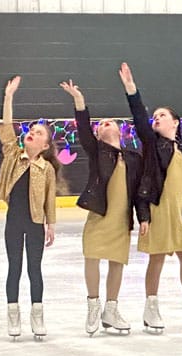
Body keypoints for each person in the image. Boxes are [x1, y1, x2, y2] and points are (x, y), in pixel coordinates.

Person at [118, 63, 182, 331]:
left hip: (176, 213)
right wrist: (131, 90)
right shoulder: (153, 144)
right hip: (157, 209)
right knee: (157, 258)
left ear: (175, 122)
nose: (157, 118)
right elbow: (140, 119)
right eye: (155, 116)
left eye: (162, 115)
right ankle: (151, 308)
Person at [60, 79, 142, 336]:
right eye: (101, 124)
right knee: (92, 257)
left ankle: (111, 309)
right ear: (97, 135)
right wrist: (79, 100)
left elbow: (140, 193)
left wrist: (144, 218)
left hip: (121, 219)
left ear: (120, 130)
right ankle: (93, 305)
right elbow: (84, 128)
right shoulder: (97, 151)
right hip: (99, 214)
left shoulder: (134, 158)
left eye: (110, 122)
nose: (105, 123)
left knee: (117, 262)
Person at [0, 76, 60, 339]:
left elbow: (50, 199)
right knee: (14, 267)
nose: (32, 132)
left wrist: (51, 225)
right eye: (31, 130)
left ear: (45, 145)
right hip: (14, 221)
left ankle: (37, 313)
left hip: (35, 224)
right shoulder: (14, 154)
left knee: (35, 269)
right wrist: (8, 97)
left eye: (39, 132)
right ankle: (13, 314)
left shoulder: (46, 169)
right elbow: (7, 128)